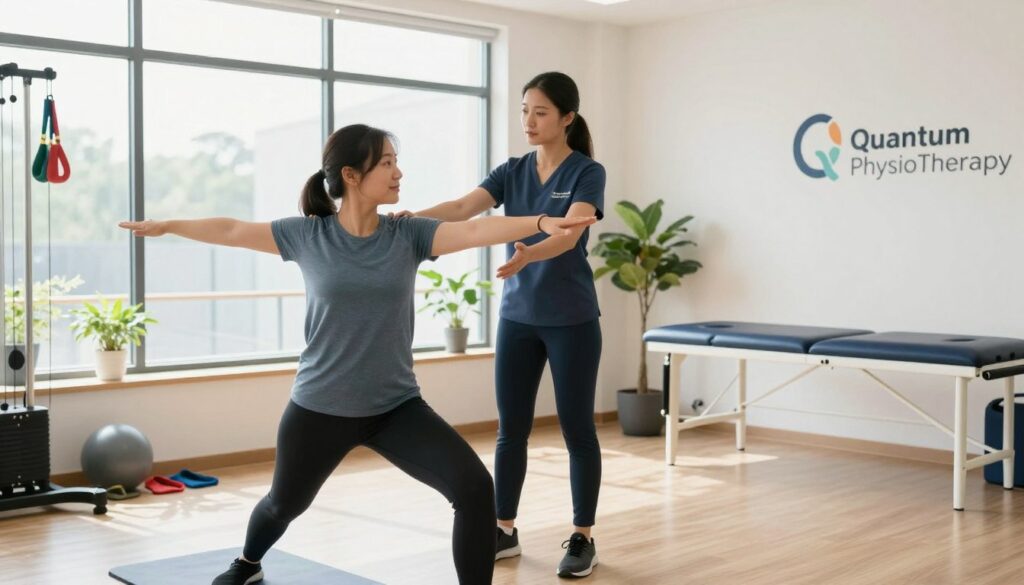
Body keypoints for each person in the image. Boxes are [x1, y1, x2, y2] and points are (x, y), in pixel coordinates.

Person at [118, 123, 595, 585]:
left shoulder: (407, 236)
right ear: (351, 175)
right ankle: (248, 561)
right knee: (284, 505)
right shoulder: (308, 236)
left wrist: (537, 222)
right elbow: (232, 229)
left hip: (395, 407)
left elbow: (473, 232)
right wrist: (168, 225)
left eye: (396, 162)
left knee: (474, 489)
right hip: (320, 406)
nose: (398, 173)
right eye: (386, 163)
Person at [393, 71, 605, 578]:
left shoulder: (586, 172)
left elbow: (570, 235)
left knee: (578, 430)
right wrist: (408, 220)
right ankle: (504, 529)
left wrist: (529, 253)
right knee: (512, 431)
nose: (529, 121)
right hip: (517, 319)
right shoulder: (511, 170)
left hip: (572, 319)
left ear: (567, 119)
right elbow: (466, 209)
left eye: (541, 112)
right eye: (524, 110)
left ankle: (582, 537)